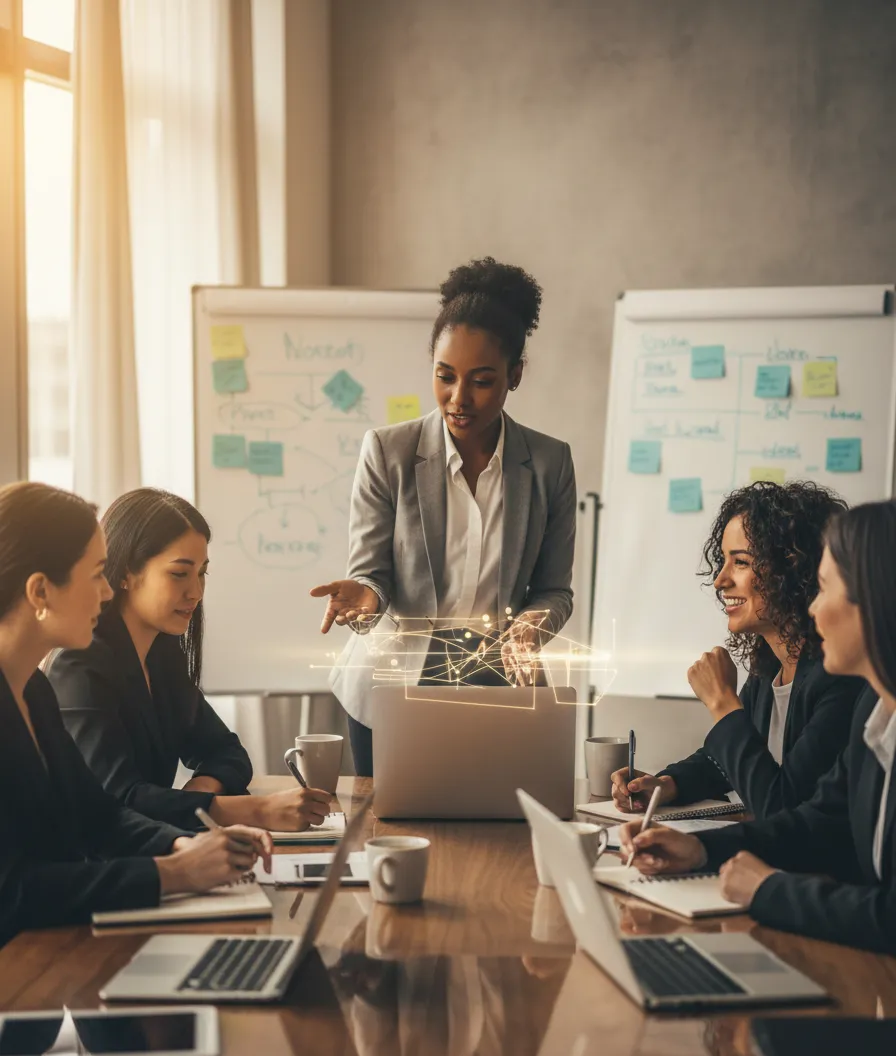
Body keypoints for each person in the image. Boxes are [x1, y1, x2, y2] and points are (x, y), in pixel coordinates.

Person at [310, 257, 577, 776]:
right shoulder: (388, 451)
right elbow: (372, 573)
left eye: (481, 380)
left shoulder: (549, 464)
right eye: (444, 376)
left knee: (493, 840)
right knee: (390, 833)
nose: (459, 399)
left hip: (499, 685)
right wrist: (366, 596)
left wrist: (530, 627)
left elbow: (554, 591)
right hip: (393, 682)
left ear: (515, 375)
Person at [619, 500, 896, 955]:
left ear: (877, 598)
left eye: (824, 590)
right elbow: (818, 820)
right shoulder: (876, 711)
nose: (815, 609)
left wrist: (768, 891)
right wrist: (701, 851)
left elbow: (784, 806)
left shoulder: (849, 693)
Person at [0, 482, 271, 947]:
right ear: (41, 590)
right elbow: (12, 891)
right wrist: (173, 873)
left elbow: (99, 815)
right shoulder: (62, 676)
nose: (107, 592)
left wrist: (183, 845)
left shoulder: (34, 689)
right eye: (97, 575)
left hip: (49, 955)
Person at [48, 489, 330, 832]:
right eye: (179, 574)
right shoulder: (79, 667)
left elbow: (227, 752)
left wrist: (200, 793)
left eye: (202, 573)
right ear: (124, 572)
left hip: (155, 850)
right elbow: (119, 799)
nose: (196, 591)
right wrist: (253, 810)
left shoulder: (163, 655)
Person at [611, 481, 863, 818]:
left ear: (792, 569)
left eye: (741, 562)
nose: (720, 580)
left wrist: (723, 704)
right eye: (724, 561)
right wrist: (669, 784)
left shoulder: (839, 679)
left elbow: (782, 806)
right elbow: (729, 761)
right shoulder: (768, 665)